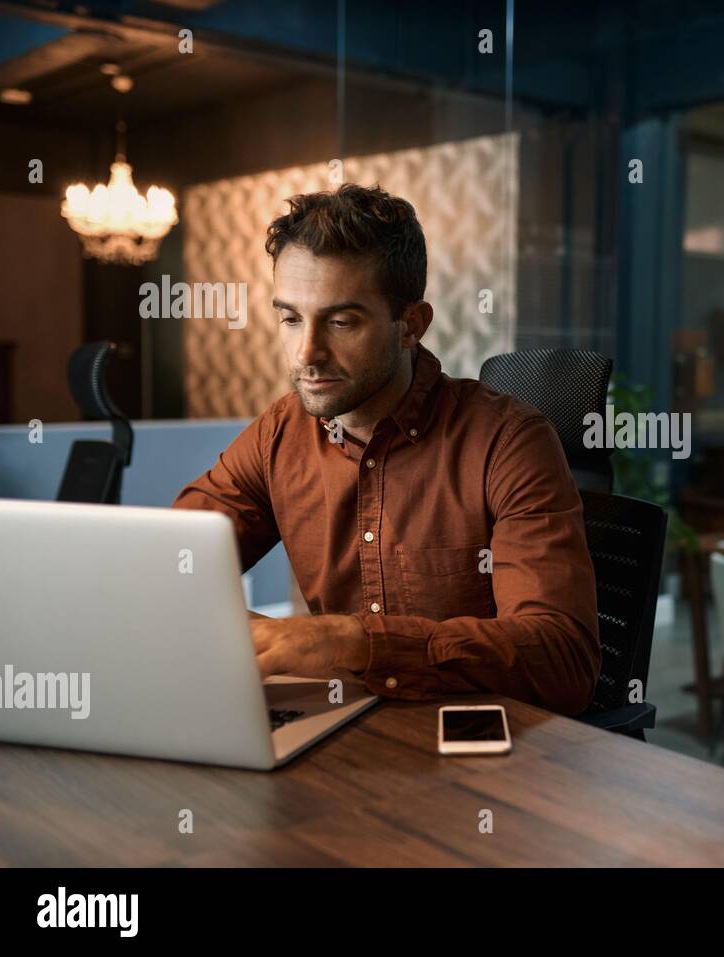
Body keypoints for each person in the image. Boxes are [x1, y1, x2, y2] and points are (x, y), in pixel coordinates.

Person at [173, 183, 600, 715]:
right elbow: (171, 563)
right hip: (346, 730)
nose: (307, 353)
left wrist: (353, 642)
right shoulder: (278, 434)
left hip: (483, 753)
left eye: (341, 321)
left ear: (411, 326)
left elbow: (563, 661)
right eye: (290, 318)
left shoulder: (508, 442)